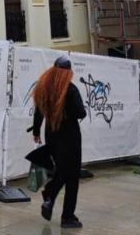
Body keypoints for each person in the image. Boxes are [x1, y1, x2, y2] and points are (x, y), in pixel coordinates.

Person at [31, 55, 86, 229]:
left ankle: (50, 195)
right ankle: (67, 216)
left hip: (52, 135)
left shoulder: (44, 88)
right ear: (68, 72)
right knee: (72, 175)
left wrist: (36, 131)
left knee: (62, 170)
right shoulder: (70, 90)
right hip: (70, 137)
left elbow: (39, 112)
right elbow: (80, 113)